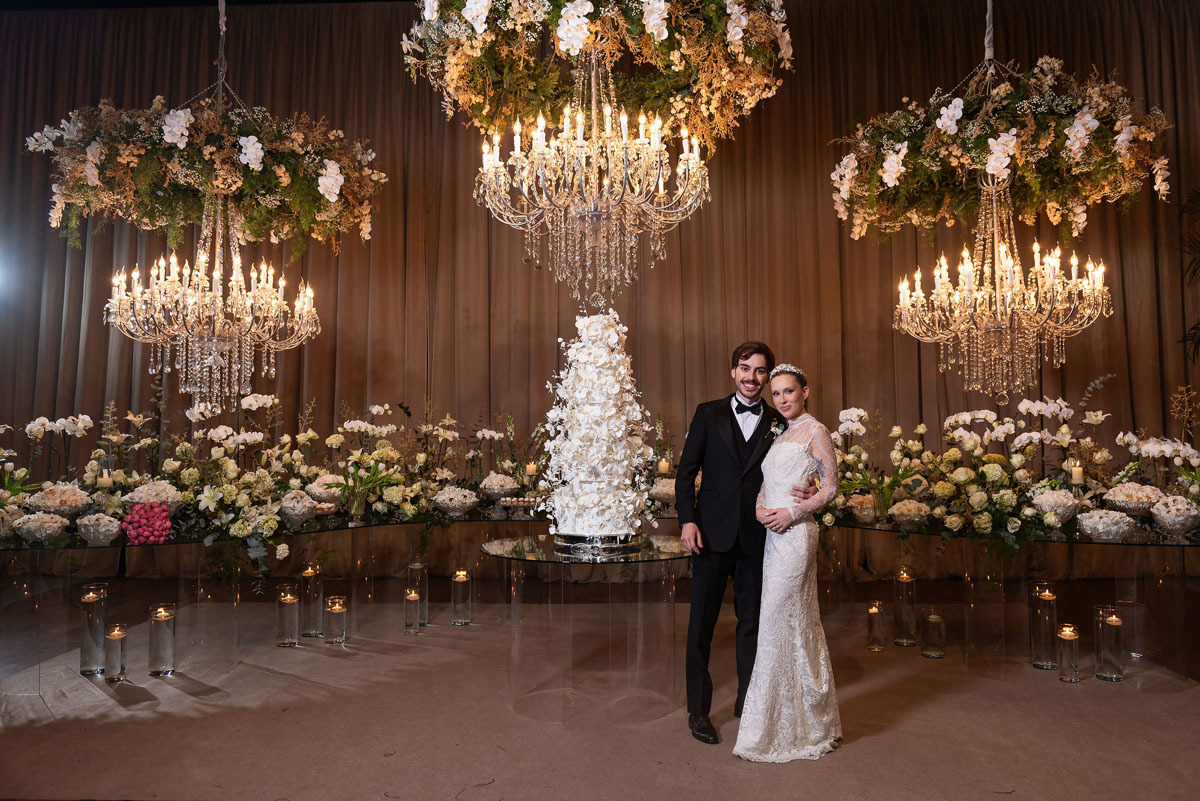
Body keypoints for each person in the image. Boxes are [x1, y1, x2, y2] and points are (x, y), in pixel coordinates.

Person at [675, 342, 816, 745]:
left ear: (768, 376)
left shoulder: (780, 419)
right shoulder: (708, 413)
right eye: (745, 368)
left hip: (761, 537)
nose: (752, 377)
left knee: (752, 624)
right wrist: (688, 521)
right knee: (700, 626)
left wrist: (808, 487)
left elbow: (799, 464)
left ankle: (748, 702)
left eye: (760, 371)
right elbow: (685, 474)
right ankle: (698, 710)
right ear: (733, 371)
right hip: (709, 535)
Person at [732, 363, 841, 762]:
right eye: (775, 393)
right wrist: (761, 509)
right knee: (785, 622)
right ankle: (792, 718)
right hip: (772, 537)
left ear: (804, 391)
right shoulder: (780, 434)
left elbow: (831, 487)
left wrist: (794, 512)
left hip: (796, 535)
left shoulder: (816, 431)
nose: (781, 399)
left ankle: (781, 727)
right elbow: (767, 485)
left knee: (779, 618)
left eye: (788, 392)